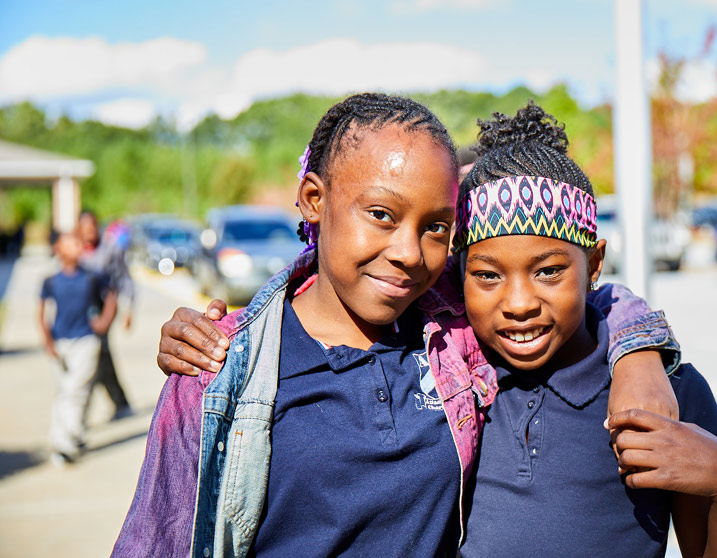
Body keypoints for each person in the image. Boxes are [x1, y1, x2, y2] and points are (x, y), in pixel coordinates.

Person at [114, 93, 678, 558]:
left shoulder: (454, 340)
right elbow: (157, 540)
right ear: (314, 199)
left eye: (436, 227)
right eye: (381, 215)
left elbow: (578, 290)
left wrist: (637, 352)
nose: (409, 252)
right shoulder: (220, 368)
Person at [453, 103, 717, 557]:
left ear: (594, 264)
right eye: (487, 275)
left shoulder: (666, 395)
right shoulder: (452, 383)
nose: (519, 304)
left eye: (549, 272)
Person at [39, 232, 117, 466]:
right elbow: (42, 312)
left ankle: (64, 443)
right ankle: (75, 435)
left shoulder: (92, 277)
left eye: (77, 244)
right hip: (60, 342)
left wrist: (104, 321)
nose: (76, 248)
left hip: (85, 340)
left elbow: (111, 295)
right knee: (65, 391)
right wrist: (47, 341)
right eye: (70, 244)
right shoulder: (51, 281)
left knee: (74, 390)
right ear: (58, 250)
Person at [77, 210, 134, 419]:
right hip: (79, 314)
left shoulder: (110, 251)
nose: (90, 231)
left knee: (95, 356)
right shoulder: (75, 251)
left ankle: (82, 413)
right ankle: (120, 401)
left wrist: (127, 310)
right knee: (101, 358)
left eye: (93, 226)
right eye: (85, 227)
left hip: (104, 311)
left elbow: (124, 281)